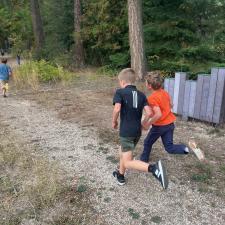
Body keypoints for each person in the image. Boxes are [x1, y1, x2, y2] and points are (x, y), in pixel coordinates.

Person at [112, 68, 168, 189]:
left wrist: (114, 121)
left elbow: (116, 109)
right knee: (123, 152)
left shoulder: (120, 92)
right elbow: (149, 112)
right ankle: (120, 175)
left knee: (127, 161)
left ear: (122, 82)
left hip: (126, 132)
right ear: (133, 81)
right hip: (137, 132)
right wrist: (144, 124)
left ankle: (154, 169)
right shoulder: (142, 95)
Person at [140, 71, 189, 162]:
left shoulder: (152, 98)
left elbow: (158, 114)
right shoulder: (164, 92)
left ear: (150, 85)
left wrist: (148, 123)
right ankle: (185, 149)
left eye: (146, 82)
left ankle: (143, 160)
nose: (145, 84)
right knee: (169, 147)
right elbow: (171, 104)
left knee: (147, 142)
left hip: (159, 127)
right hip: (170, 124)